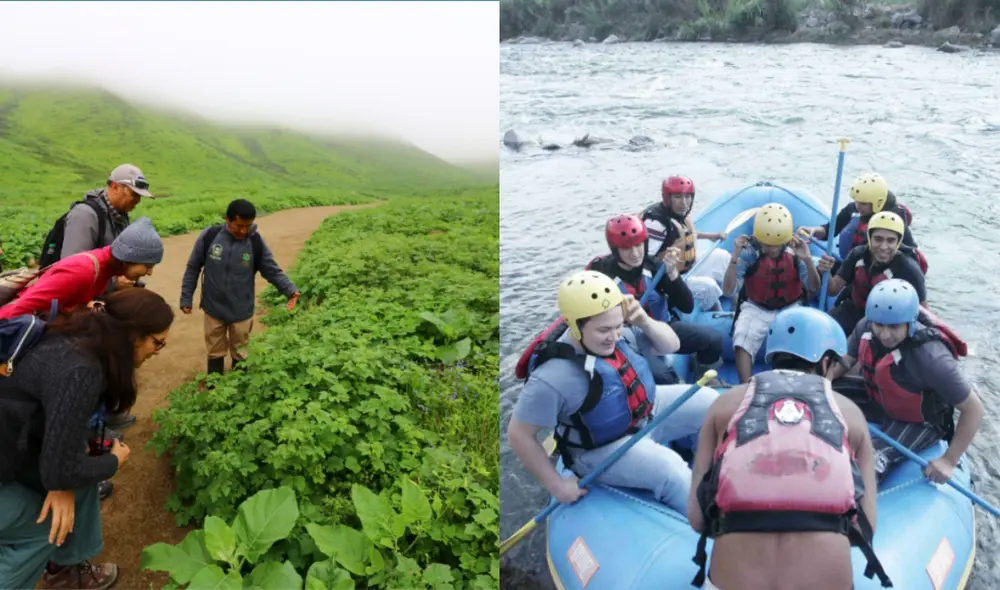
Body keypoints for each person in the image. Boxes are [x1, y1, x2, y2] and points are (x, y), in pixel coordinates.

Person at [687, 306, 889, 590]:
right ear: (826, 361)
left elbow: (697, 518)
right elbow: (865, 527)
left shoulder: (724, 405)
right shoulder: (851, 414)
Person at [0, 288, 174, 590]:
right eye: (157, 344)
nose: (157, 352)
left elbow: (60, 452)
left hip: (11, 451)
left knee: (77, 483)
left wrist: (66, 479)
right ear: (133, 336)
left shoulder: (74, 339)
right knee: (43, 530)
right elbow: (58, 472)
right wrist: (112, 461)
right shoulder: (83, 371)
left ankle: (64, 570)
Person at [507, 270, 718, 514]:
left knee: (710, 402)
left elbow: (672, 345)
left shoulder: (620, 333)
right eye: (604, 330)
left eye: (618, 326)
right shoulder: (553, 376)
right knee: (671, 469)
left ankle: (708, 469)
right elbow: (518, 434)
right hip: (602, 448)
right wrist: (557, 486)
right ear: (575, 327)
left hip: (646, 414)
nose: (615, 336)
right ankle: (706, 522)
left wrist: (644, 321)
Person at [826, 279, 983, 483]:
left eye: (894, 327)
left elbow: (974, 409)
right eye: (879, 325)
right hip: (881, 400)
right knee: (818, 391)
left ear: (909, 322)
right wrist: (825, 381)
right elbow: (845, 361)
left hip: (918, 421)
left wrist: (949, 461)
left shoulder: (932, 358)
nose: (884, 334)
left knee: (869, 459)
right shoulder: (866, 326)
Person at [586, 214, 723, 385]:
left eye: (638, 245)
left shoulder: (654, 266)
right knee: (665, 377)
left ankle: (701, 370)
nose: (635, 253)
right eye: (627, 248)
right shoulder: (601, 273)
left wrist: (673, 274)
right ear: (615, 250)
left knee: (713, 340)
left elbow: (687, 306)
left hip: (661, 327)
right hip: (625, 336)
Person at [180, 199, 300, 376]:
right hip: (213, 307)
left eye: (248, 226)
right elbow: (193, 267)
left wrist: (290, 290)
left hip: (241, 310)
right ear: (227, 219)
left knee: (241, 352)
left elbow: (271, 270)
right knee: (215, 350)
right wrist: (186, 297)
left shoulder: (255, 242)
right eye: (238, 226)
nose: (243, 231)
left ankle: (239, 389)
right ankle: (215, 388)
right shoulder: (210, 237)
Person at [721, 203, 826, 383]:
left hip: (791, 307)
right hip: (756, 307)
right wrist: (734, 258)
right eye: (767, 245)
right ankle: (745, 386)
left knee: (805, 340)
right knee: (742, 336)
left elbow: (813, 287)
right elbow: (729, 290)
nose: (772, 249)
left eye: (777, 245)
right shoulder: (749, 254)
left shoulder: (795, 253)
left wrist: (808, 260)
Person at [39, 164, 156, 292]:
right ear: (115, 186)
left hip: (99, 293)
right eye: (134, 194)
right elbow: (73, 270)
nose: (138, 200)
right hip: (75, 299)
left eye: (140, 196)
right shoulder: (85, 215)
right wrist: (112, 284)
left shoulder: (120, 217)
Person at [800, 172, 927, 273]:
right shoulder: (853, 209)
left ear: (877, 202)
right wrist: (814, 231)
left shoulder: (894, 222)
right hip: (853, 263)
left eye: (863, 203)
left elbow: (910, 253)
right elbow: (829, 230)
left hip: (879, 269)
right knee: (819, 272)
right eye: (856, 201)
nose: (858, 206)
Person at [825, 211, 926, 336]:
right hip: (852, 311)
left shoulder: (909, 270)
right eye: (878, 239)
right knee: (822, 328)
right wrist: (826, 270)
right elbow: (832, 290)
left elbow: (923, 313)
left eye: (890, 241)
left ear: (898, 242)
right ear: (869, 238)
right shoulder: (858, 254)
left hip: (884, 322)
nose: (883, 247)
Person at [641, 175, 725, 275]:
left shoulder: (679, 214)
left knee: (722, 256)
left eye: (687, 196)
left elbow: (685, 235)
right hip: (671, 278)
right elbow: (645, 259)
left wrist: (711, 236)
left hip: (689, 267)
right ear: (667, 198)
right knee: (709, 286)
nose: (684, 203)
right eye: (678, 197)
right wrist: (667, 269)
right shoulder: (657, 223)